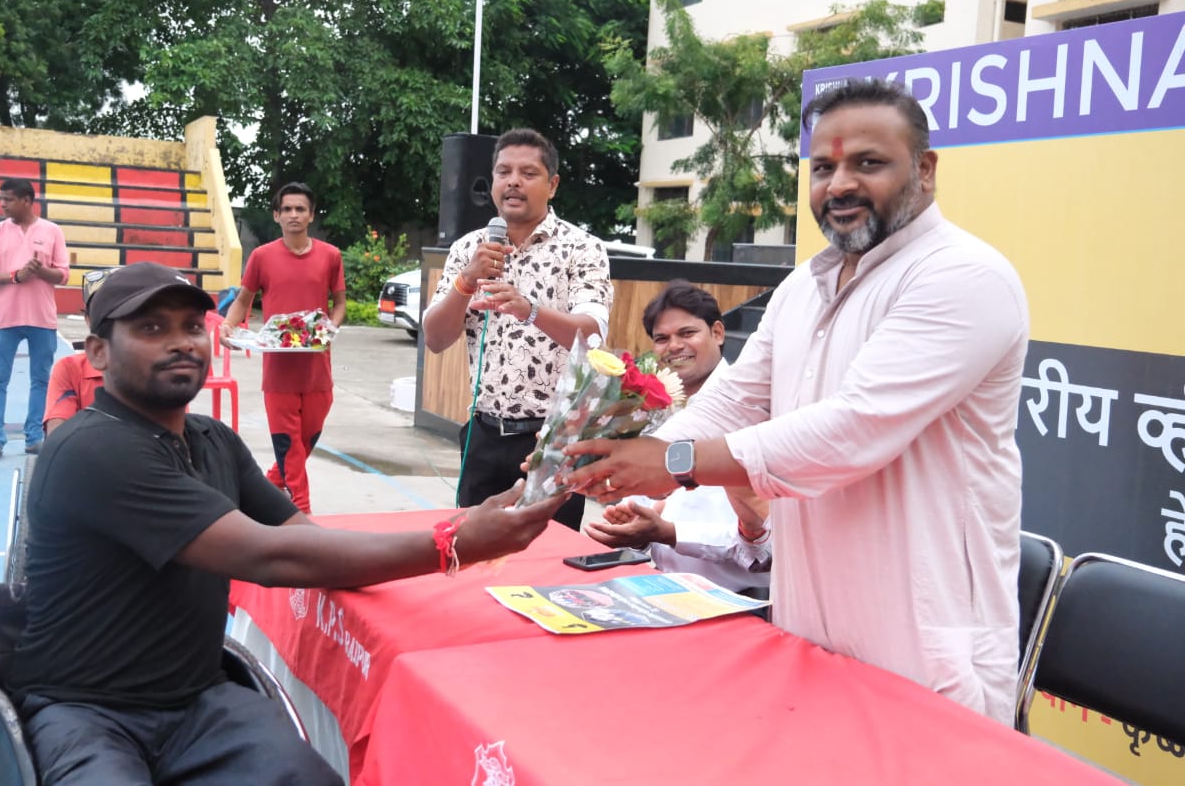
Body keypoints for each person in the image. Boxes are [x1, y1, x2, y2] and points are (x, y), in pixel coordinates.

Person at [567, 79, 1028, 726]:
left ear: (924, 170)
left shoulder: (963, 277)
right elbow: (733, 398)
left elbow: (850, 430)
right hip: (810, 625)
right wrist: (640, 479)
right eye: (823, 167)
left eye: (868, 162)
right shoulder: (803, 288)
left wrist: (671, 461)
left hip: (924, 644)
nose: (840, 184)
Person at [9, 261, 566, 785]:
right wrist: (451, 545)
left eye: (191, 326)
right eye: (152, 327)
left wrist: (465, 520)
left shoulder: (213, 440)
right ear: (99, 353)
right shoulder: (93, 449)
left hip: (197, 699)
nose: (181, 341)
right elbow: (270, 557)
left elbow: (299, 535)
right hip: (86, 707)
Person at [423, 128, 613, 531]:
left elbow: (593, 335)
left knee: (545, 560)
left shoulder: (582, 248)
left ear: (553, 184)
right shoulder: (468, 249)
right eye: (503, 172)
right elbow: (436, 339)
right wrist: (466, 281)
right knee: (469, 552)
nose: (513, 182)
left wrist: (529, 310)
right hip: (483, 432)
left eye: (528, 173)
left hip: (553, 440)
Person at [584, 281, 771, 595]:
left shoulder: (752, 408)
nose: (673, 346)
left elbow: (764, 537)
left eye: (687, 333)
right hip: (662, 589)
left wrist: (669, 532)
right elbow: (651, 510)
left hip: (739, 601)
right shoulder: (652, 408)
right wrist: (637, 529)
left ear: (718, 333)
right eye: (661, 338)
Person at [219, 182, 347, 513]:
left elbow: (340, 304)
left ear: (311, 215)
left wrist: (330, 328)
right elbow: (243, 299)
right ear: (276, 215)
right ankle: (301, 514)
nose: (293, 215)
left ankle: (256, 494)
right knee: (289, 449)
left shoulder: (330, 256)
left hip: (318, 369)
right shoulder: (262, 257)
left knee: (303, 445)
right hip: (277, 371)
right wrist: (228, 326)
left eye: (300, 209)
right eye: (286, 209)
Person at [0, 178, 70, 461]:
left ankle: (34, 438)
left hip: (42, 319)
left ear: (27, 201)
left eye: (8, 199)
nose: (2, 204)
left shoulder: (52, 231)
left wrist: (42, 270)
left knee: (41, 381)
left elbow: (63, 275)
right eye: (1, 199)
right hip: (5, 319)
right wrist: (16, 276)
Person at [43, 269, 110, 435]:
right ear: (88, 319)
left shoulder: (155, 372)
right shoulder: (70, 369)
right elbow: (56, 436)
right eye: (103, 310)